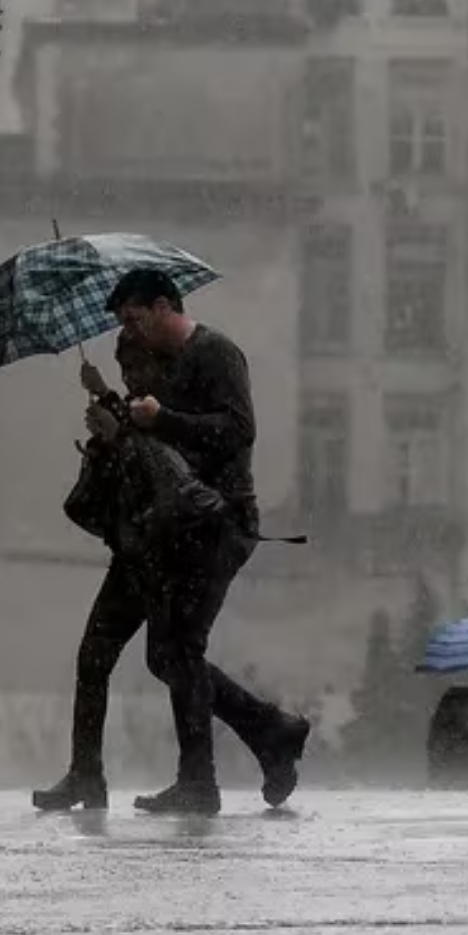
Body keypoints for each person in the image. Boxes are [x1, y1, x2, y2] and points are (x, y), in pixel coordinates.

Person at [33, 337, 307, 813]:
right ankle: (87, 774)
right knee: (100, 656)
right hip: (137, 549)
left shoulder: (174, 401)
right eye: (124, 366)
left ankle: (229, 759)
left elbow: (167, 465)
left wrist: (119, 431)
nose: (130, 373)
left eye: (135, 363)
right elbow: (128, 457)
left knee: (174, 657)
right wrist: (103, 410)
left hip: (167, 549)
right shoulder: (138, 406)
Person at [106, 267, 309, 816]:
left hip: (221, 521)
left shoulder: (217, 352)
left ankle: (204, 779)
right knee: (168, 653)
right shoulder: (165, 368)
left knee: (178, 650)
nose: (132, 331)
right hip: (183, 525)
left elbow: (238, 430)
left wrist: (162, 417)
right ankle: (270, 731)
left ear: (164, 305)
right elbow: (167, 448)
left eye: (135, 318)